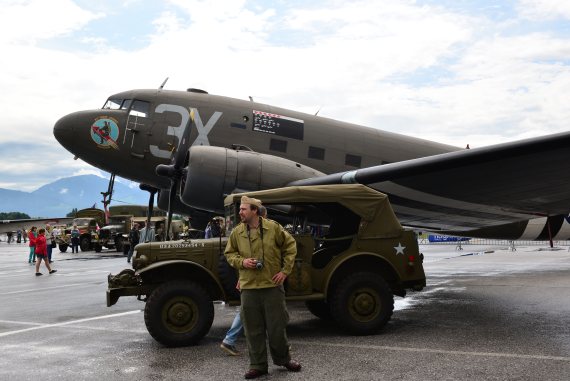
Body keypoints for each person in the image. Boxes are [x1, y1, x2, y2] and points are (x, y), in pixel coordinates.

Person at [225, 197, 301, 379]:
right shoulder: (237, 233)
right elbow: (229, 254)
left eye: (244, 209)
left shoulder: (273, 228)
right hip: (249, 288)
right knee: (253, 330)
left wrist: (285, 271)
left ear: (255, 211)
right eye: (240, 209)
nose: (240, 212)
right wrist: (242, 262)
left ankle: (284, 359)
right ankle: (258, 365)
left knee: (277, 328)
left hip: (271, 286)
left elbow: (290, 246)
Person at [220, 206, 267, 357]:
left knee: (253, 310)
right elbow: (244, 257)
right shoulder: (250, 232)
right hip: (255, 279)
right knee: (252, 310)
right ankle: (230, 340)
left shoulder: (252, 231)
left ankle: (231, 340)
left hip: (255, 279)